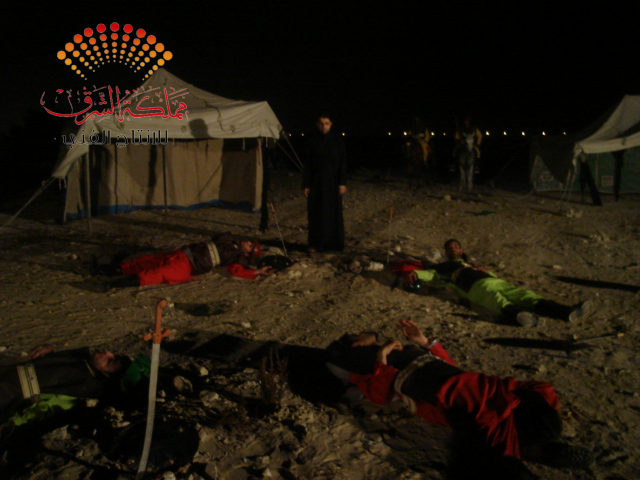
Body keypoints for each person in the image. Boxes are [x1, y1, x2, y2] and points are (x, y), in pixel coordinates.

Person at [325, 320, 592, 473]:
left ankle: (358, 358)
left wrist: (382, 357)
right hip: (418, 367)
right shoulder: (505, 426)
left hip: (407, 374)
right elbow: (457, 380)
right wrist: (425, 343)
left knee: (335, 359)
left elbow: (391, 392)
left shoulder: (503, 419)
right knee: (347, 357)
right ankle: (364, 351)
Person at [401, 239, 593, 327]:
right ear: (446, 252)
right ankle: (522, 318)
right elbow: (430, 274)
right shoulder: (445, 266)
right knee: (498, 302)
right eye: (449, 248)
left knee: (527, 296)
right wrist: (415, 273)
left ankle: (565, 312)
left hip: (493, 281)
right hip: (474, 287)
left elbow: (489, 273)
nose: (453, 250)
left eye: (455, 247)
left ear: (461, 250)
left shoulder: (472, 264)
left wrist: (487, 273)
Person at [0, 344, 145, 425]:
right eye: (113, 355)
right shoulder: (84, 361)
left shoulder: (84, 386)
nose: (107, 352)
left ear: (107, 376)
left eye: (110, 360)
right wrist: (51, 354)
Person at [92, 232, 274, 289]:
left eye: (250, 246)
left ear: (247, 254)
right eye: (250, 242)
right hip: (182, 255)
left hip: (187, 266)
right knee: (145, 262)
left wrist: (257, 272)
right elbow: (218, 237)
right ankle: (107, 270)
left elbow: (236, 271)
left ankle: (114, 284)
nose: (248, 243)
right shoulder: (228, 240)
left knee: (155, 274)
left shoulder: (236, 258)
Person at [303, 114, 348, 252]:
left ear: (331, 124)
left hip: (333, 183)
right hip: (316, 183)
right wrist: (306, 184)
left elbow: (343, 163)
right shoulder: (312, 141)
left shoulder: (337, 141)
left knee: (332, 214)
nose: (324, 126)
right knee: (315, 214)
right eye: (321, 123)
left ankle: (333, 244)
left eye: (326, 123)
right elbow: (307, 164)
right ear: (317, 124)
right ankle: (315, 244)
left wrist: (342, 182)